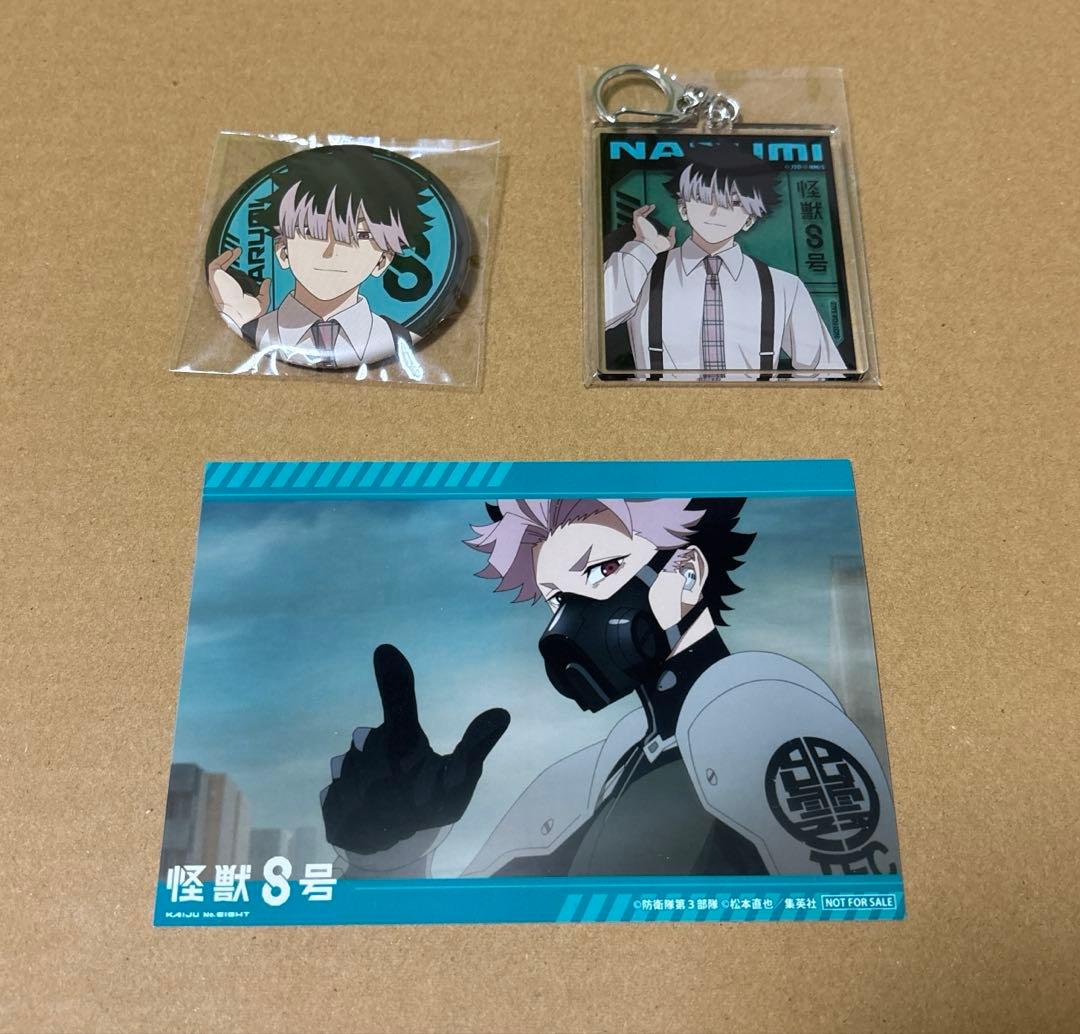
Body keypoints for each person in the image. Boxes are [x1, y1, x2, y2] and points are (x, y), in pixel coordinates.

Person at [320, 497, 899, 879]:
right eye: (556, 599)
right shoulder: (597, 777)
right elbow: (466, 938)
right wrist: (390, 855)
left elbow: (847, 912)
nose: (570, 622)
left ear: (687, 574)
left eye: (600, 571)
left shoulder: (773, 727)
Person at [603, 144, 847, 379]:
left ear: (750, 219)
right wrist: (644, 246)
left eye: (734, 202)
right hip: (656, 405)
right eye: (703, 198)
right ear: (683, 208)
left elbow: (824, 370)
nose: (716, 212)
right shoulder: (643, 272)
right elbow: (597, 318)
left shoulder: (784, 286)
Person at [206, 147, 430, 374]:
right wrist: (241, 320)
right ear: (282, 251)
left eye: (360, 235)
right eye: (311, 231)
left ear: (382, 260)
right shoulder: (256, 327)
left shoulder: (396, 336)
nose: (331, 251)